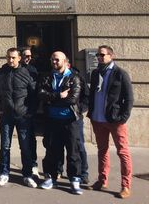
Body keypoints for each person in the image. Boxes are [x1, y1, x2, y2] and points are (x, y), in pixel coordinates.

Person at [88, 45, 134, 199]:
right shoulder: (96, 73)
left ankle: (125, 186)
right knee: (102, 151)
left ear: (111, 56)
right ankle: (102, 180)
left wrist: (123, 117)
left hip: (114, 120)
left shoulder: (120, 74)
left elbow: (129, 99)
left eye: (102, 55)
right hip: (98, 119)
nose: (99, 58)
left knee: (122, 152)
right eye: (97, 55)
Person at [37, 51, 83, 195]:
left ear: (64, 61)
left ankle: (74, 179)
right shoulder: (47, 77)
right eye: (52, 59)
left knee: (73, 151)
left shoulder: (74, 77)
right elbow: (41, 94)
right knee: (52, 150)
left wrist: (52, 99)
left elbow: (72, 99)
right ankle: (51, 176)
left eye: (57, 60)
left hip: (69, 121)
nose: (54, 62)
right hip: (52, 120)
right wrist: (58, 95)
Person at [0, 48, 37, 188]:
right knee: (5, 146)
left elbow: (33, 94)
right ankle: (4, 172)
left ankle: (27, 174)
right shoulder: (0, 73)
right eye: (8, 57)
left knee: (25, 147)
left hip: (23, 116)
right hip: (6, 115)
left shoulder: (26, 73)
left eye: (13, 58)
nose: (10, 60)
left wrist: (31, 111)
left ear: (19, 58)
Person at [20, 46, 40, 177]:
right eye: (26, 56)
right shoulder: (10, 69)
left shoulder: (33, 71)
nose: (29, 58)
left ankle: (33, 165)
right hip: (14, 110)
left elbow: (35, 92)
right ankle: (2, 165)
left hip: (28, 111)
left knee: (30, 140)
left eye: (30, 56)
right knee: (7, 142)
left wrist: (33, 109)